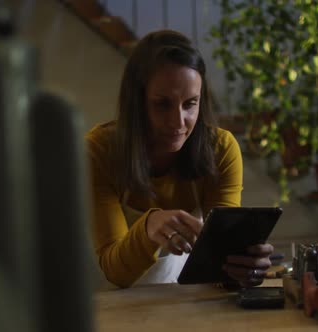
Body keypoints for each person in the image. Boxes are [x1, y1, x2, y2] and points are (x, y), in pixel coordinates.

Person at [86, 30, 273, 288]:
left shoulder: (220, 149)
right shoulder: (99, 150)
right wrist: (148, 227)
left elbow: (221, 259)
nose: (178, 122)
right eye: (162, 104)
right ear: (137, 102)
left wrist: (244, 268)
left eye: (190, 104)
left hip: (181, 305)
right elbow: (116, 272)